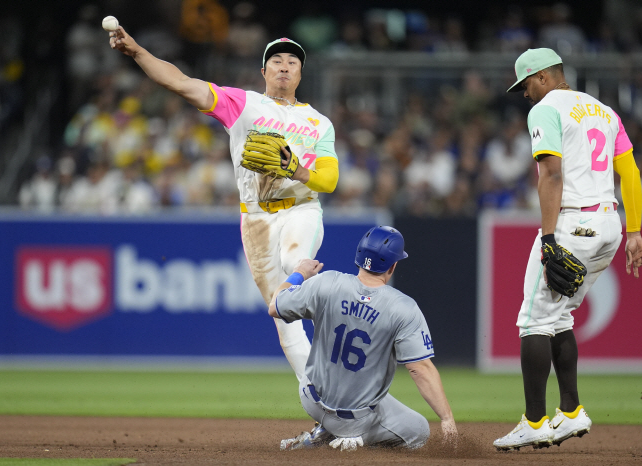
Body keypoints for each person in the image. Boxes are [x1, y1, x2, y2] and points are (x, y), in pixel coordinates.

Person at [109, 28, 339, 380]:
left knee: (298, 264)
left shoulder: (319, 123)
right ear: (263, 72)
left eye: (292, 61)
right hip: (257, 220)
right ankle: (324, 405)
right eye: (276, 60)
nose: (284, 66)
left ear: (300, 73)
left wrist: (296, 169)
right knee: (283, 321)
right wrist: (139, 51)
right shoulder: (244, 104)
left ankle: (341, 316)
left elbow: (330, 181)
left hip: (300, 208)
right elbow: (182, 83)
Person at [494, 48, 642, 451]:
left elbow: (552, 173)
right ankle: (572, 411)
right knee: (561, 315)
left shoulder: (546, 109)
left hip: (572, 221)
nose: (525, 93)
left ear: (543, 77)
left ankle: (535, 421)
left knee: (533, 320)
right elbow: (629, 171)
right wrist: (635, 231)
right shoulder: (605, 111)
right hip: (609, 223)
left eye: (526, 84)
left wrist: (547, 237)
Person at [268, 226, 457, 450]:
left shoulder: (326, 283)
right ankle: (351, 442)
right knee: (419, 431)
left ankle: (324, 432)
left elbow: (275, 306)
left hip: (311, 399)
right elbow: (420, 369)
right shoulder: (403, 308)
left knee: (377, 400)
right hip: (354, 420)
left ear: (358, 256)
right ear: (393, 265)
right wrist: (446, 418)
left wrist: (299, 273)